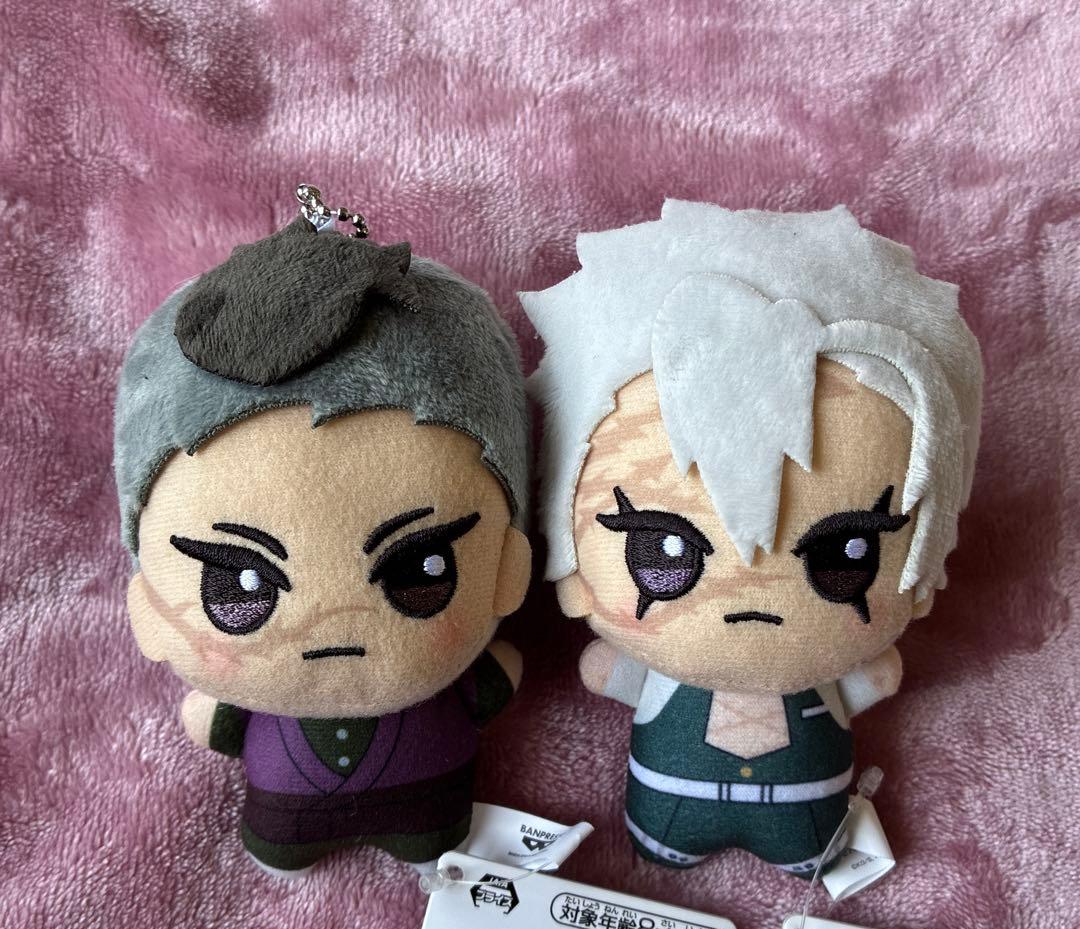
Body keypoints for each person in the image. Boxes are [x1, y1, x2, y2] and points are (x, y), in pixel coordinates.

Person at [523, 200, 981, 875]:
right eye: (664, 553)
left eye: (846, 555)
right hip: (675, 810)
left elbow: (876, 677)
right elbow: (606, 672)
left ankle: (794, 850)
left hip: (804, 818)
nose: (751, 594)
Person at [115, 189, 530, 877]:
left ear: (508, 569)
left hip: (433, 811)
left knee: (429, 837)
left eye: (421, 570)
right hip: (286, 813)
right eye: (239, 586)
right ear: (149, 608)